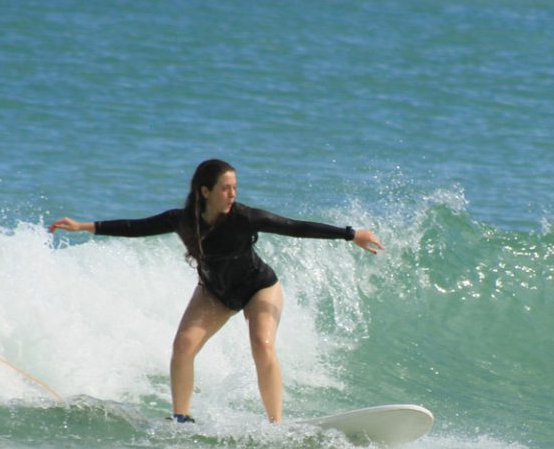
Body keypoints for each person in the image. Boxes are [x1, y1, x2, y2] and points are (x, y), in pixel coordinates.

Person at [49, 159, 383, 424]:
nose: (232, 194)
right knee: (183, 345)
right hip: (215, 292)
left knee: (262, 344)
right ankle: (181, 419)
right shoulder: (182, 220)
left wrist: (350, 234)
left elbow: (295, 227)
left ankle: (275, 424)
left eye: (234, 188)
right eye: (226, 188)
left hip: (258, 287)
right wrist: (84, 226)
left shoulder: (245, 218)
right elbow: (135, 227)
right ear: (205, 191)